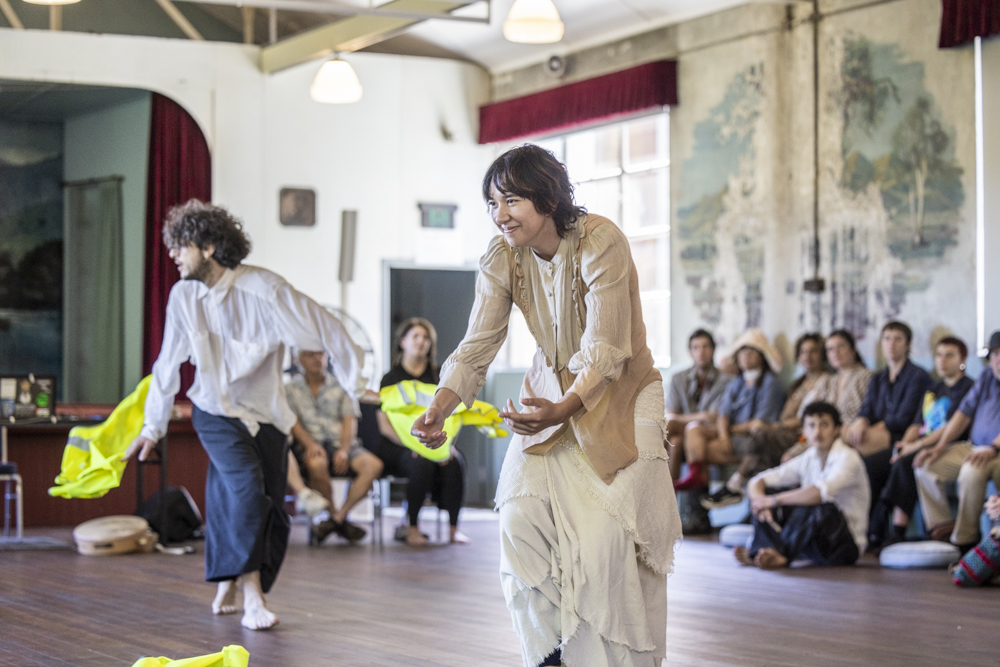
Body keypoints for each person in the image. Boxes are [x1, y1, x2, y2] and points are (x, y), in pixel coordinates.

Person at [412, 144, 681, 667]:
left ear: (548, 197)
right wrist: (441, 406)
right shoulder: (501, 257)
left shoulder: (600, 240)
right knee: (519, 522)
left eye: (511, 200)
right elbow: (477, 345)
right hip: (549, 395)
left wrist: (564, 409)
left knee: (605, 541)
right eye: (493, 203)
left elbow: (606, 347)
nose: (501, 214)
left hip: (624, 394)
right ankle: (553, 656)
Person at [122, 200, 372, 631]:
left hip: (267, 416)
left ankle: (227, 580)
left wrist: (353, 384)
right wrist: (152, 427)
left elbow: (327, 326)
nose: (173, 254)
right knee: (245, 492)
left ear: (209, 247)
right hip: (213, 410)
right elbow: (167, 365)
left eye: (181, 246)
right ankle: (252, 594)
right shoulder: (184, 296)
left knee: (264, 504)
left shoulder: (265, 290)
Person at [736, 402, 870, 569]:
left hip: (843, 547)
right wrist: (761, 502)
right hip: (812, 546)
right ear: (804, 432)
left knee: (819, 506)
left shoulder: (848, 457)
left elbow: (819, 493)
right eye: (811, 425)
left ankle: (780, 554)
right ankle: (761, 552)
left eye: (824, 425)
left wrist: (774, 500)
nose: (817, 431)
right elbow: (757, 481)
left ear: (837, 429)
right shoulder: (809, 457)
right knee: (766, 495)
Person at [703, 332, 828, 509]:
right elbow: (723, 414)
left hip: (802, 437)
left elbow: (808, 419)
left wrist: (774, 426)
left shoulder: (825, 382)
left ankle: (735, 484)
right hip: (784, 433)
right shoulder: (799, 383)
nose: (807, 356)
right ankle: (757, 507)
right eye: (803, 352)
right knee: (760, 456)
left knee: (761, 435)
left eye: (813, 351)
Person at [374, 318, 468, 546]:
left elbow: (453, 415)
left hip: (435, 443)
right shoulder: (390, 379)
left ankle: (453, 529)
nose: (421, 341)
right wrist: (414, 445)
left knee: (456, 462)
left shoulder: (440, 377)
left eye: (426, 337)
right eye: (415, 336)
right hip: (399, 446)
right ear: (402, 342)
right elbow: (385, 426)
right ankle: (412, 527)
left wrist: (445, 447)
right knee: (420, 462)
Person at [872, 337, 973, 549]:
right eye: (939, 355)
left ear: (963, 359)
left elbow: (950, 428)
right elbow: (918, 424)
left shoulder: (968, 388)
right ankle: (874, 529)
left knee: (906, 463)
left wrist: (916, 447)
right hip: (921, 443)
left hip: (949, 445)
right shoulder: (934, 389)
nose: (942, 361)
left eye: (949, 355)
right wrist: (903, 445)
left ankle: (898, 530)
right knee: (880, 462)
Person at [285, 348, 384, 545]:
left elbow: (350, 421)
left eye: (320, 354)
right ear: (299, 360)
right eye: (310, 355)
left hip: (342, 444)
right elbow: (293, 423)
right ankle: (337, 519)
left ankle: (337, 518)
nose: (317, 358)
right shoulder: (290, 390)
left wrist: (344, 451)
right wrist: (310, 444)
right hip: (310, 445)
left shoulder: (342, 385)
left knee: (373, 465)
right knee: (316, 464)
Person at [844, 321, 931, 542]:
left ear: (908, 344)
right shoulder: (879, 377)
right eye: (887, 338)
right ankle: (856, 527)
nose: (891, 344)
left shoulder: (918, 376)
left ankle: (869, 528)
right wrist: (861, 421)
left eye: (898, 339)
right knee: (850, 449)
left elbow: (904, 417)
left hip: (903, 437)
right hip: (878, 437)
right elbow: (867, 409)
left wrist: (872, 428)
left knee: (860, 459)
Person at [914, 331, 1000, 551]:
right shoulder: (987, 376)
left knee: (971, 470)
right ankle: (942, 531)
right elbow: (963, 414)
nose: (998, 360)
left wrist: (993, 447)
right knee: (926, 465)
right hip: (974, 446)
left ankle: (964, 542)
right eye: (994, 354)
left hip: (996, 451)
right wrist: (940, 446)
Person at [673, 328, 786, 495]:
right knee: (693, 430)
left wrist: (727, 432)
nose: (746, 355)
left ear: (762, 356)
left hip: (752, 440)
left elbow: (758, 425)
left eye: (752, 351)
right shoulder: (737, 382)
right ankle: (696, 490)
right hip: (731, 434)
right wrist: (724, 435)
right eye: (742, 351)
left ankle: (699, 498)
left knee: (701, 449)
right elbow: (723, 414)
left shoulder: (770, 384)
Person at [665, 329, 734, 481]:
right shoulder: (678, 378)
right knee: (675, 441)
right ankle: (668, 494)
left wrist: (688, 419)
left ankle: (645, 475)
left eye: (705, 346)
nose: (701, 352)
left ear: (713, 350)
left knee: (673, 425)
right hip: (684, 430)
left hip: (710, 430)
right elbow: (671, 413)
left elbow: (715, 417)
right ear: (690, 352)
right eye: (696, 347)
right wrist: (702, 416)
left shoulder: (727, 380)